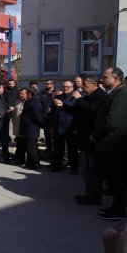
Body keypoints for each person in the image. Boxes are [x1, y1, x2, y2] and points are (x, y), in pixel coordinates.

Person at [64, 75, 108, 205]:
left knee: (94, 170)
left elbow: (92, 111)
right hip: (84, 138)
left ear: (94, 85)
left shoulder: (100, 96)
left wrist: (80, 99)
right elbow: (78, 111)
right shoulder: (88, 96)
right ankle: (88, 193)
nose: (83, 87)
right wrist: (63, 107)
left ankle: (94, 196)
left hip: (92, 138)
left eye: (85, 85)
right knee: (87, 168)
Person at [93, 67, 127, 220]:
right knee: (113, 178)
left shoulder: (121, 95)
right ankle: (117, 207)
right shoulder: (115, 93)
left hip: (116, 144)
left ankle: (120, 210)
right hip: (112, 144)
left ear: (116, 79)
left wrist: (97, 134)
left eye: (105, 77)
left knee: (117, 178)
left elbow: (112, 121)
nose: (102, 80)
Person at [51, 80, 78, 172]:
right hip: (58, 126)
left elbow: (76, 112)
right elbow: (53, 113)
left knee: (72, 149)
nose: (65, 88)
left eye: (68, 87)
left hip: (70, 127)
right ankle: (56, 166)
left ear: (72, 88)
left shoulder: (75, 98)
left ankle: (73, 167)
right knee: (58, 148)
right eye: (64, 86)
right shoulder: (58, 97)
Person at [19, 87, 44, 170]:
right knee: (29, 147)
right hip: (28, 128)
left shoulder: (33, 102)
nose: (22, 95)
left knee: (32, 148)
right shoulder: (30, 101)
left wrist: (42, 124)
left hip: (31, 128)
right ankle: (30, 163)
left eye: (24, 93)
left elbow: (36, 115)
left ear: (29, 94)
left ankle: (35, 163)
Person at [41, 80, 56, 153]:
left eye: (47, 84)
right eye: (45, 83)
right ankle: (49, 147)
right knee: (46, 133)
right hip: (45, 116)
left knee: (53, 133)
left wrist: (52, 109)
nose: (46, 85)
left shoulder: (56, 92)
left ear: (52, 84)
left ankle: (55, 148)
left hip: (53, 116)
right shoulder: (43, 93)